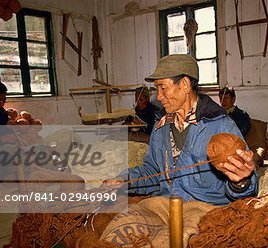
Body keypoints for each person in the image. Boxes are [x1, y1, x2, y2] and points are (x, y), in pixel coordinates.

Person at [105, 54, 258, 205]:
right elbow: (152, 171)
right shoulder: (161, 126)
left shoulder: (220, 125)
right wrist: (125, 180)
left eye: (163, 88)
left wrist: (241, 182)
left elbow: (247, 182)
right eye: (157, 89)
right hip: (168, 206)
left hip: (206, 209)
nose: (159, 96)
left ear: (185, 84)